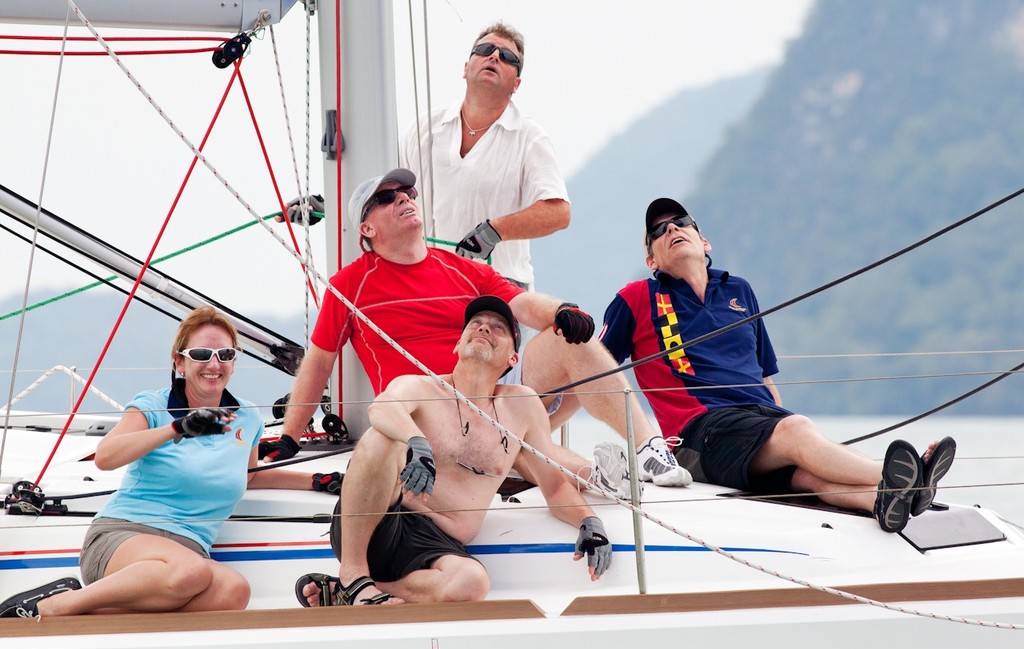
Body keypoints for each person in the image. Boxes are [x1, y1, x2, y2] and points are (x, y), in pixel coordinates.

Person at [261, 168, 691, 496]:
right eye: (388, 198)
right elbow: (319, 362)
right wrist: (289, 438)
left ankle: (647, 448)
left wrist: (562, 311)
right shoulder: (349, 285)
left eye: (407, 192)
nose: (405, 198)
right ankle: (597, 478)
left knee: (569, 339)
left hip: (491, 396)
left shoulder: (461, 267)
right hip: (428, 415)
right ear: (367, 229)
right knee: (510, 436)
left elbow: (521, 304)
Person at [598, 198, 958, 533]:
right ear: (652, 261)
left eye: (680, 222)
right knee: (799, 430)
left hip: (759, 423)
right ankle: (912, 481)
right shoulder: (636, 298)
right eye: (659, 232)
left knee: (809, 474)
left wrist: (790, 433)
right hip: (697, 435)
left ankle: (884, 499)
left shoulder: (739, 291)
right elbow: (593, 368)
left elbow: (764, 376)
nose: (672, 230)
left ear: (704, 242)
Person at [0, 307, 340, 619]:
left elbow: (247, 477)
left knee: (235, 590)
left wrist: (317, 480)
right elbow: (106, 456)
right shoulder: (153, 406)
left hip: (187, 552)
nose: (214, 364)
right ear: (179, 362)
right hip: (125, 536)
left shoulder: (246, 418)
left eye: (225, 355)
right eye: (202, 354)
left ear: (234, 363)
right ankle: (57, 606)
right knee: (193, 572)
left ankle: (65, 610)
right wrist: (176, 428)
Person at [295, 296, 610, 606]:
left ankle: (346, 592)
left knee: (473, 582)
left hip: (436, 543)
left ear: (513, 359)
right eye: (476, 324)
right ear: (457, 346)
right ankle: (353, 574)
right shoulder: (421, 387)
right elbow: (382, 409)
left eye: (499, 327)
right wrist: (417, 441)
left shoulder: (522, 407)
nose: (485, 328)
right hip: (378, 519)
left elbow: (554, 487)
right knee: (381, 438)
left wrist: (590, 522)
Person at [399, 21, 569, 289]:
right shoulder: (423, 128)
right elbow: (387, 191)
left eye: (508, 57)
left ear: (517, 83)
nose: (495, 56)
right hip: (431, 282)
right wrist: (331, 205)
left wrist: (495, 231)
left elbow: (559, 212)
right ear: (466, 68)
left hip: (500, 285)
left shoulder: (529, 137)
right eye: (485, 49)